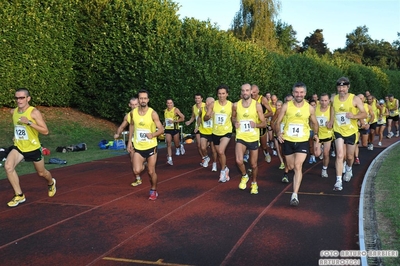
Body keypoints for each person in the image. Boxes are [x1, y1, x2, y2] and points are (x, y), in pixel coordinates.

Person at [5, 88, 56, 207]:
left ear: (28, 98)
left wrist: (29, 122)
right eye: (17, 98)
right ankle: (19, 195)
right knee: (8, 166)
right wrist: (15, 135)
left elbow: (45, 131)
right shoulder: (13, 112)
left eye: (22, 97)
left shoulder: (34, 112)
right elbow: (18, 127)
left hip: (33, 148)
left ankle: (51, 183)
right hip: (19, 147)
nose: (19, 100)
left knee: (42, 173)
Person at [275, 82, 319, 206]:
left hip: (302, 141)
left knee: (298, 165)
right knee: (290, 165)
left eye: (301, 92)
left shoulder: (309, 108)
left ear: (305, 93)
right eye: (296, 92)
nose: (299, 95)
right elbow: (277, 122)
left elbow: (315, 123)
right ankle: (291, 175)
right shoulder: (286, 106)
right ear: (293, 93)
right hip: (288, 140)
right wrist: (278, 133)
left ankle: (294, 195)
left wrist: (315, 134)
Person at [328, 77, 367, 191]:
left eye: (344, 87)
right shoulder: (333, 99)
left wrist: (354, 116)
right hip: (338, 130)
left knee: (349, 157)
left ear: (348, 87)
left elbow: (364, 114)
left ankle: (349, 168)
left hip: (351, 131)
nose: (341, 89)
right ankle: (338, 181)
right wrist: (331, 120)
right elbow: (332, 108)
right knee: (340, 155)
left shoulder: (354, 99)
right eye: (339, 87)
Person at [127, 89, 164, 200]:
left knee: (151, 171)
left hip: (151, 147)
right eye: (140, 98)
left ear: (148, 100)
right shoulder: (133, 113)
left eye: (144, 98)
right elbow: (132, 126)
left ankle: (153, 190)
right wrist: (130, 141)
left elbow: (161, 129)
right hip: (138, 146)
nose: (142, 100)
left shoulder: (153, 113)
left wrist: (152, 134)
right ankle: (143, 163)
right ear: (138, 100)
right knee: (137, 170)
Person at [233, 84, 266, 194]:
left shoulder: (257, 105)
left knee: (253, 164)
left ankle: (254, 183)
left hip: (253, 138)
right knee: (238, 160)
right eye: (243, 90)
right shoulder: (236, 105)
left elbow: (264, 123)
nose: (245, 92)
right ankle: (244, 175)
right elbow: (232, 117)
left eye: (247, 90)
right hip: (241, 136)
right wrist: (235, 123)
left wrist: (255, 125)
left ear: (251, 91)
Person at [204, 84, 233, 182]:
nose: (221, 95)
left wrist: (236, 122)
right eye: (219, 94)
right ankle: (225, 169)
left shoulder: (231, 105)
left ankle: (222, 172)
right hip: (215, 132)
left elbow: (234, 117)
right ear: (217, 94)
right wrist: (209, 116)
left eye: (223, 93)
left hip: (227, 132)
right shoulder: (213, 104)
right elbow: (205, 118)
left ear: (227, 94)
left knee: (220, 151)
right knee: (220, 154)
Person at [114, 97, 142, 186]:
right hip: (134, 141)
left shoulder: (146, 113)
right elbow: (122, 126)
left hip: (146, 142)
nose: (134, 106)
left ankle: (142, 163)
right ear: (129, 105)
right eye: (132, 105)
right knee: (133, 159)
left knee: (145, 164)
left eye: (136, 104)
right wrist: (117, 133)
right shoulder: (128, 116)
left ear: (139, 104)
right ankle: (138, 178)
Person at [251, 85, 273, 163]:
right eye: (251, 91)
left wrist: (261, 116)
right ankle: (248, 157)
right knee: (249, 143)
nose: (252, 93)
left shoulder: (262, 99)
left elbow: (271, 112)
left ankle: (266, 153)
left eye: (254, 92)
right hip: (251, 125)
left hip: (261, 124)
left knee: (263, 145)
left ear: (258, 91)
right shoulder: (248, 99)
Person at [313, 93, 334, 178]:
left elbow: (334, 122)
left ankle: (324, 169)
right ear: (319, 101)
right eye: (322, 100)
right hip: (318, 134)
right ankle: (320, 148)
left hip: (327, 134)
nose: (324, 102)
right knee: (316, 154)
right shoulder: (315, 109)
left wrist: (330, 124)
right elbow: (312, 121)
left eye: (326, 100)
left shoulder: (331, 110)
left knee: (326, 154)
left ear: (329, 101)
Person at [197, 97, 218, 171]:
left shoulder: (215, 110)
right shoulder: (201, 110)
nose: (213, 104)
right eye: (211, 102)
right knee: (202, 147)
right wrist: (198, 126)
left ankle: (214, 163)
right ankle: (206, 158)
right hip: (204, 131)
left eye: (213, 102)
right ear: (206, 103)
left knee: (213, 150)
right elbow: (199, 117)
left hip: (213, 132)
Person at [164, 98, 185, 166]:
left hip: (175, 129)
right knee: (168, 143)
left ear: (173, 103)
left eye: (171, 103)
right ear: (166, 104)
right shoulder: (165, 111)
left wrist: (174, 121)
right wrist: (163, 125)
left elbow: (182, 118)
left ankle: (179, 146)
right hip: (168, 129)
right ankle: (170, 159)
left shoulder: (175, 110)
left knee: (176, 144)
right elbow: (165, 121)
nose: (169, 104)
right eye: (168, 103)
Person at [185, 93, 205, 165]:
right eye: (196, 98)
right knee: (199, 145)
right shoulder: (194, 107)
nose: (197, 100)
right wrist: (189, 122)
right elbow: (193, 116)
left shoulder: (205, 106)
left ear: (202, 99)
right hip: (197, 128)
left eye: (198, 98)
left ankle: (206, 152)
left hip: (205, 128)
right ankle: (203, 158)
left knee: (205, 145)